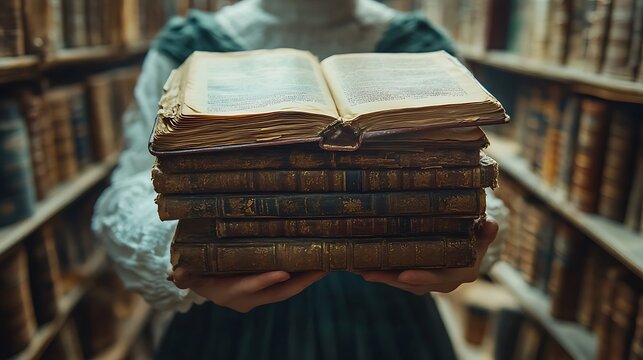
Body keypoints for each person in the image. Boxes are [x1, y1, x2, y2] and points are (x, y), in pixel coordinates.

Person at [92, 1, 507, 359]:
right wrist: (193, 250)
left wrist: (463, 239)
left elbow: (469, 171)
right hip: (233, 301)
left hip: (386, 302)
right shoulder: (188, 46)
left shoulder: (422, 46)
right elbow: (136, 183)